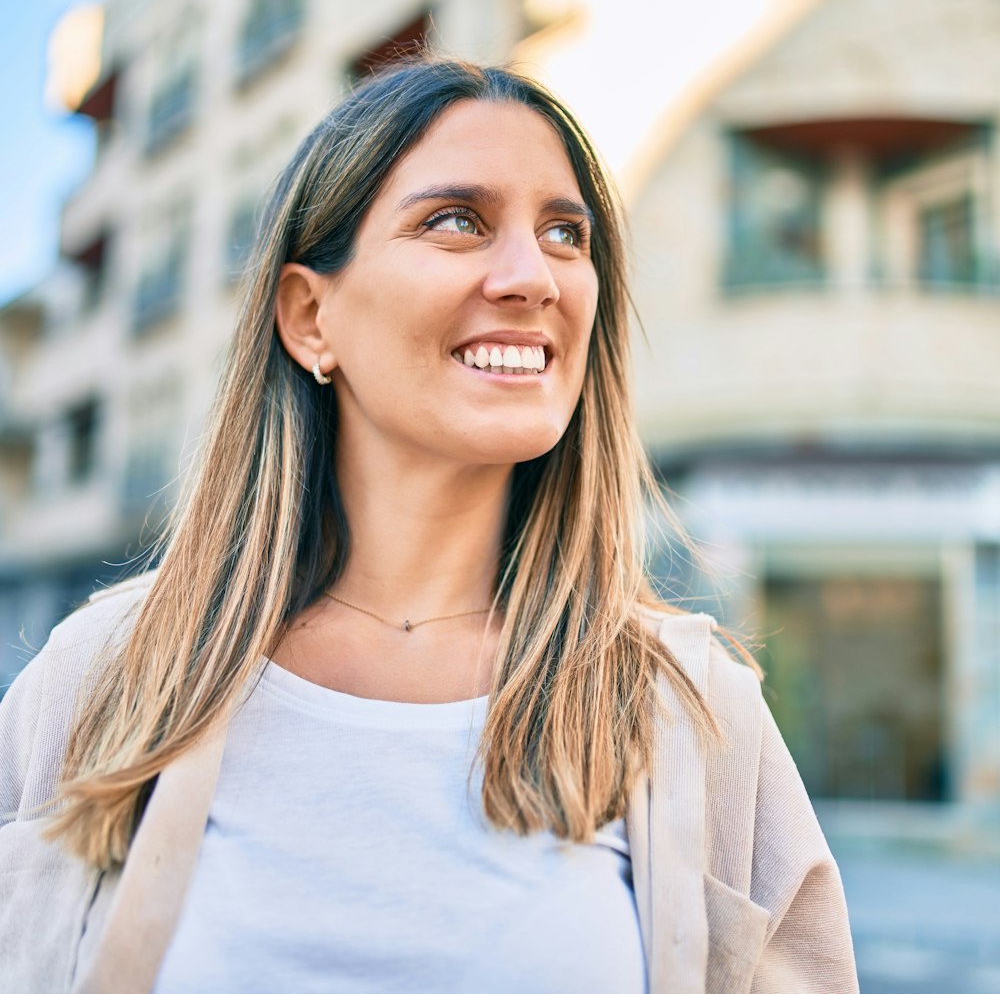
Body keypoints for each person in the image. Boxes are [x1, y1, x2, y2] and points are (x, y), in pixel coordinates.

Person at [0, 59, 858, 993]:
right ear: (308, 316)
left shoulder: (691, 710)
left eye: (566, 234)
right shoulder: (107, 677)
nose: (535, 277)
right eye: (457, 221)